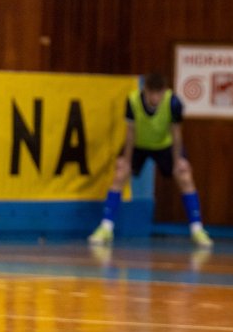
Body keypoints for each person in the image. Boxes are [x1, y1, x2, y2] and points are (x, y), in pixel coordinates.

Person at [88, 73, 213, 248]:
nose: (155, 98)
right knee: (119, 175)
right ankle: (106, 227)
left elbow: (176, 132)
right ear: (144, 90)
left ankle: (197, 229)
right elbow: (130, 132)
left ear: (164, 91)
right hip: (139, 144)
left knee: (185, 176)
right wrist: (126, 160)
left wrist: (178, 160)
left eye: (159, 93)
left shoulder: (173, 103)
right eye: (151, 93)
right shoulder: (132, 101)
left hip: (164, 145)